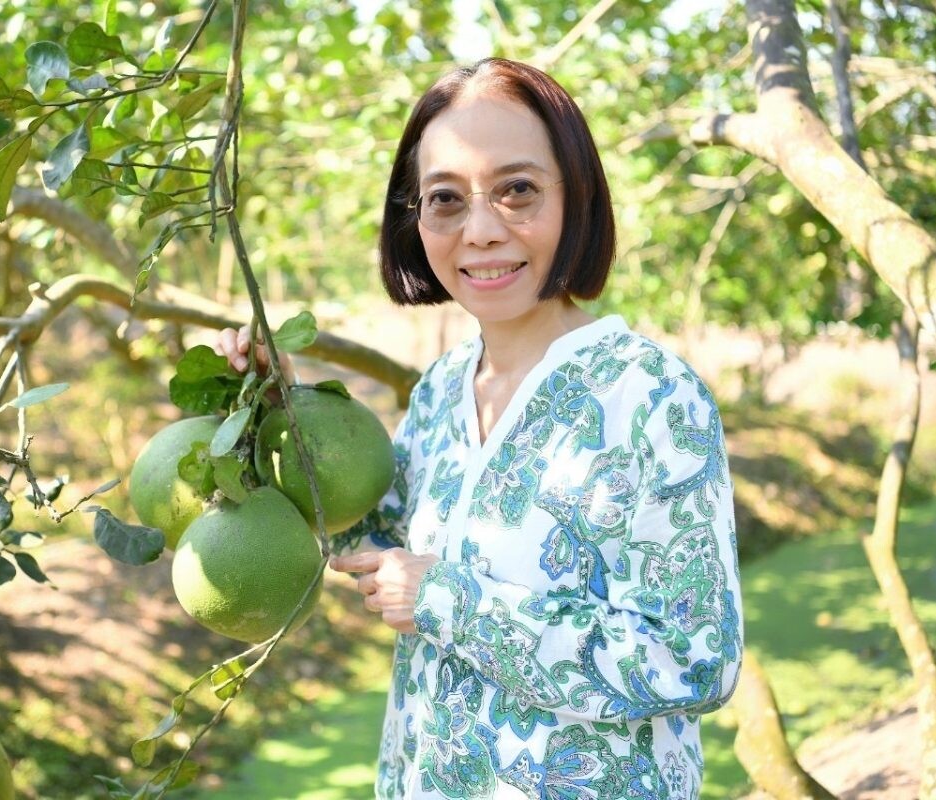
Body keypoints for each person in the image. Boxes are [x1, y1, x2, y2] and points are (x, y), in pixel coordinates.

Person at [217, 58, 742, 800]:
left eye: (518, 190)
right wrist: (280, 408)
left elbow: (696, 661)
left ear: (578, 198)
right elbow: (372, 547)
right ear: (417, 220)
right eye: (446, 199)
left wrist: (448, 601)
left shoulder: (651, 396)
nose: (483, 231)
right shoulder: (439, 392)